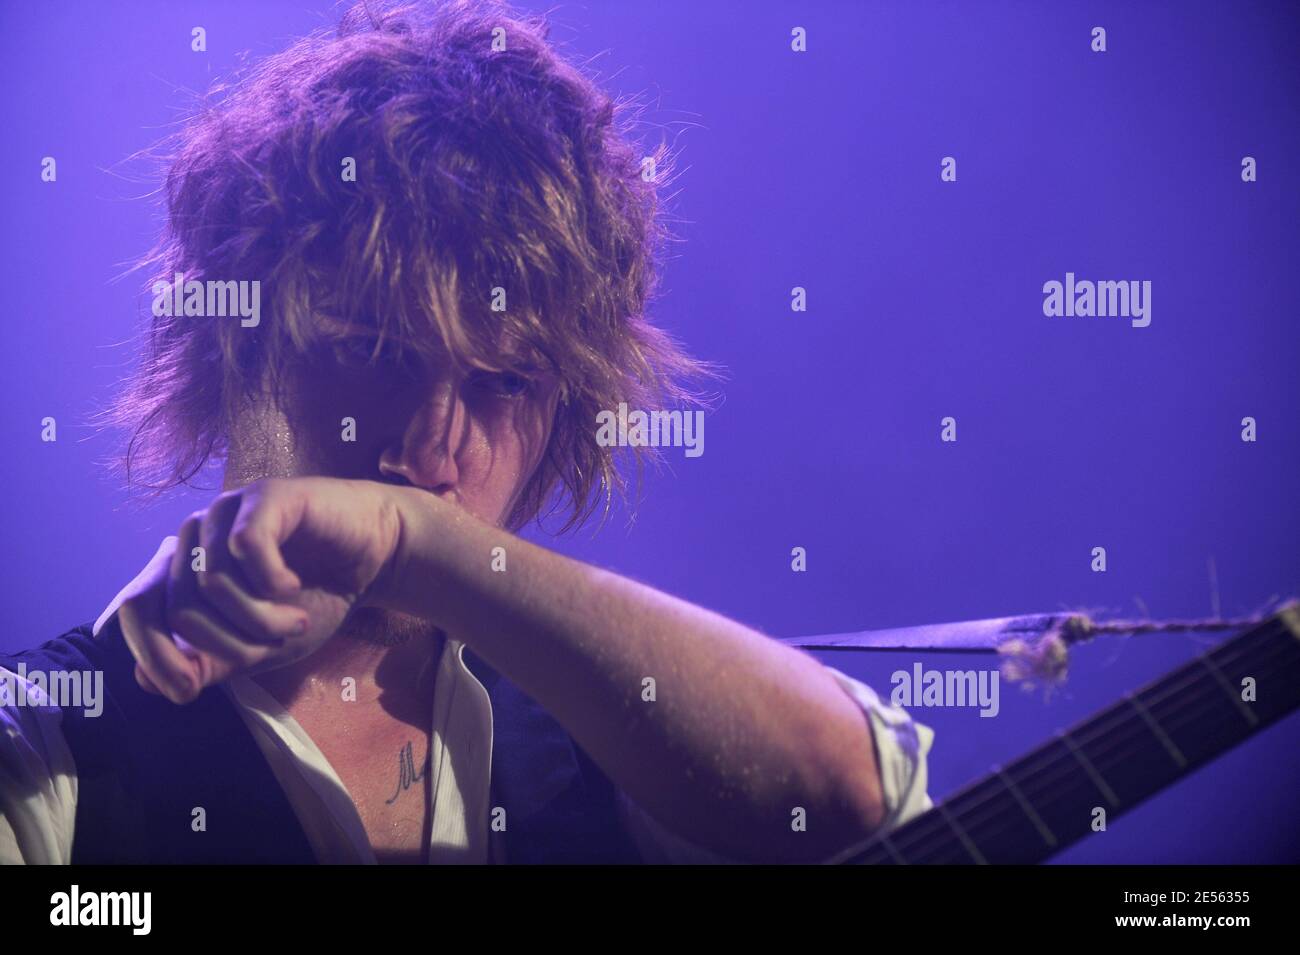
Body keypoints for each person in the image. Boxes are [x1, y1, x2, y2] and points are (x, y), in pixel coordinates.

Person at [0, 0, 932, 864]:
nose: (431, 450)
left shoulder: (609, 733)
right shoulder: (45, 743)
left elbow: (858, 793)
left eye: (504, 382)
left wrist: (412, 540)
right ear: (236, 349)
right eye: (376, 349)